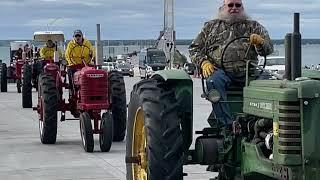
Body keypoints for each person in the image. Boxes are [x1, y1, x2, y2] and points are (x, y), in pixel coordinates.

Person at [189, 0, 274, 128]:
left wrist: (260, 43)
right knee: (213, 80)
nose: (234, 8)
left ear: (242, 7)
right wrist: (203, 62)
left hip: (249, 73)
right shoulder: (211, 27)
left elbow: (268, 50)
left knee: (272, 84)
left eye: (237, 5)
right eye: (230, 5)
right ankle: (228, 125)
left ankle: (264, 123)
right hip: (222, 73)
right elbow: (194, 49)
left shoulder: (254, 26)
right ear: (223, 7)